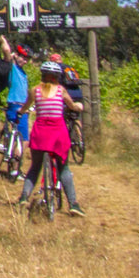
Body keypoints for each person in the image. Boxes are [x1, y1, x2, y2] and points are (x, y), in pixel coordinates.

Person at [16, 59, 86, 216]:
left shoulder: (35, 91)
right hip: (57, 134)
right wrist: (78, 107)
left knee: (35, 167)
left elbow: (25, 107)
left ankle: (23, 197)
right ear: (57, 77)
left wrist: (20, 113)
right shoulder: (61, 91)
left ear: (42, 76)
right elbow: (72, 106)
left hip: (41, 134)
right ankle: (73, 204)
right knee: (64, 169)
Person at [0, 35, 32, 177]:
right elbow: (6, 52)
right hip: (16, 105)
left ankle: (10, 156)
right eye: (22, 57)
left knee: (16, 136)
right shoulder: (12, 67)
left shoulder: (23, 73)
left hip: (22, 105)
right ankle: (15, 169)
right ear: (16, 55)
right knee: (24, 140)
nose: (24, 60)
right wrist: (3, 40)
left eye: (27, 59)